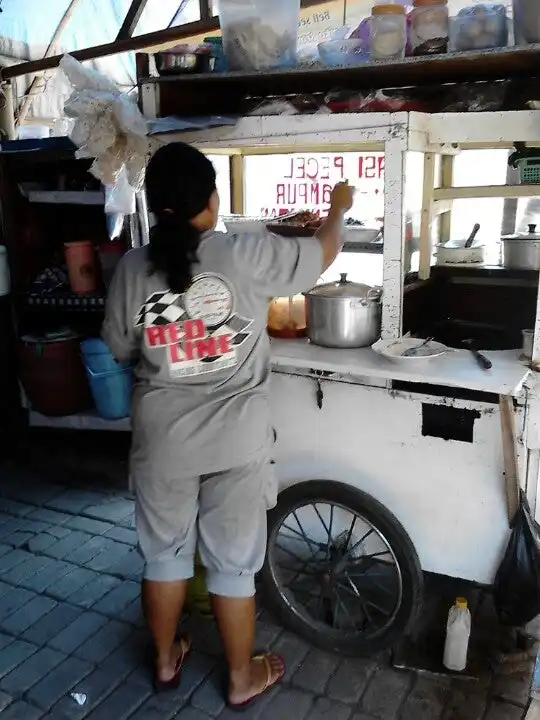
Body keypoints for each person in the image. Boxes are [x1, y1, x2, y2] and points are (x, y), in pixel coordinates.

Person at [102, 142, 354, 707]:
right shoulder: (245, 253)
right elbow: (324, 252)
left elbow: (118, 346)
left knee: (164, 555)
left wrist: (174, 344)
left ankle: (166, 661)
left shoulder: (132, 268)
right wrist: (337, 207)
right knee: (233, 562)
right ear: (211, 202)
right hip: (236, 440)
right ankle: (241, 677)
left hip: (162, 441)